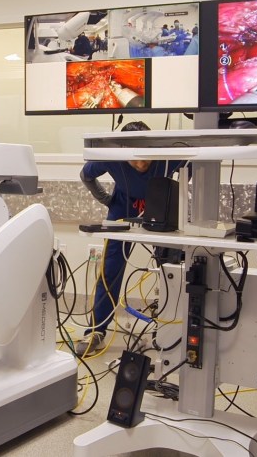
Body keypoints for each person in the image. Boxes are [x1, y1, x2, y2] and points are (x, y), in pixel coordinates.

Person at [75, 121, 186, 356]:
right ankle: (96, 330)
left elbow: (197, 164)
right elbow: (86, 175)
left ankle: (170, 329)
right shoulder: (111, 157)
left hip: (161, 205)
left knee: (171, 266)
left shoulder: (168, 156)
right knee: (110, 268)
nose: (141, 164)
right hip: (123, 206)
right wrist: (105, 199)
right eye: (134, 159)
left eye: (146, 157)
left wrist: (179, 195)